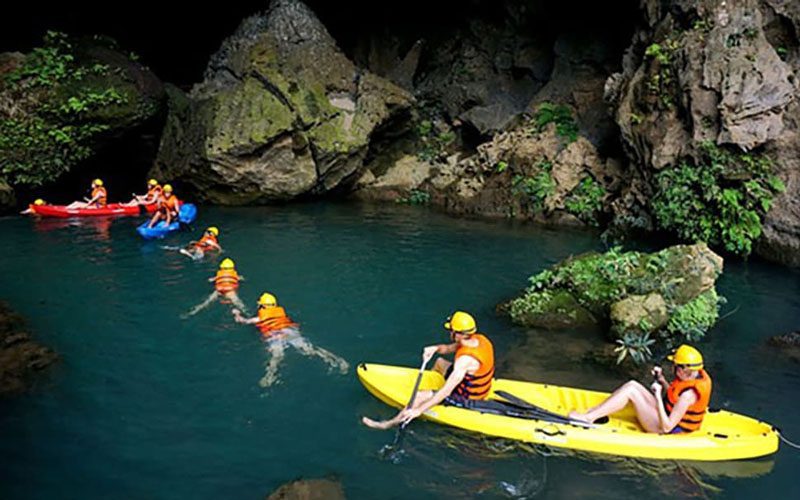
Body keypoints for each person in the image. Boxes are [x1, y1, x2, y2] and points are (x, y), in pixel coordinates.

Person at [362, 311, 494, 429]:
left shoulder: (464, 361)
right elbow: (447, 349)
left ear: (458, 334)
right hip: (470, 381)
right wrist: (434, 349)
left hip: (467, 396)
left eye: (451, 330)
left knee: (419, 396)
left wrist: (418, 411)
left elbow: (446, 392)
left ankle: (388, 424)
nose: (449, 333)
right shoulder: (479, 339)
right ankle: (430, 389)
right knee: (440, 362)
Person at [568, 344, 712, 434]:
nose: (672, 368)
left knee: (631, 392)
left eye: (675, 365)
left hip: (665, 429)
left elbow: (667, 427)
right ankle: (593, 413)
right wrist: (662, 379)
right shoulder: (691, 376)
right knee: (632, 385)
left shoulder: (688, 395)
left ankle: (587, 419)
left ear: (683, 369)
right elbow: (674, 397)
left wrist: (657, 396)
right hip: (666, 416)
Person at [232, 292, 349, 387]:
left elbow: (243, 321)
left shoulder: (258, 318)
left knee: (277, 356)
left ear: (262, 305)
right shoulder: (281, 313)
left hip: (275, 335)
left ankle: (270, 376)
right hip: (289, 331)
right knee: (310, 349)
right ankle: (338, 360)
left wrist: (236, 313)